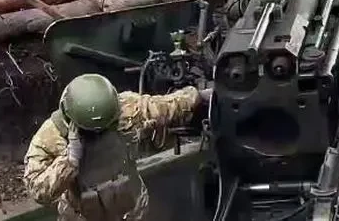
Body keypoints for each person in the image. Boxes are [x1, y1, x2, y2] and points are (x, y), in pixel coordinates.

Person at [23, 73, 212, 221]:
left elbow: (164, 106)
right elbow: (37, 190)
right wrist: (69, 161)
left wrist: (198, 96)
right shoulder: (50, 136)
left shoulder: (127, 108)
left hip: (132, 210)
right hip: (82, 216)